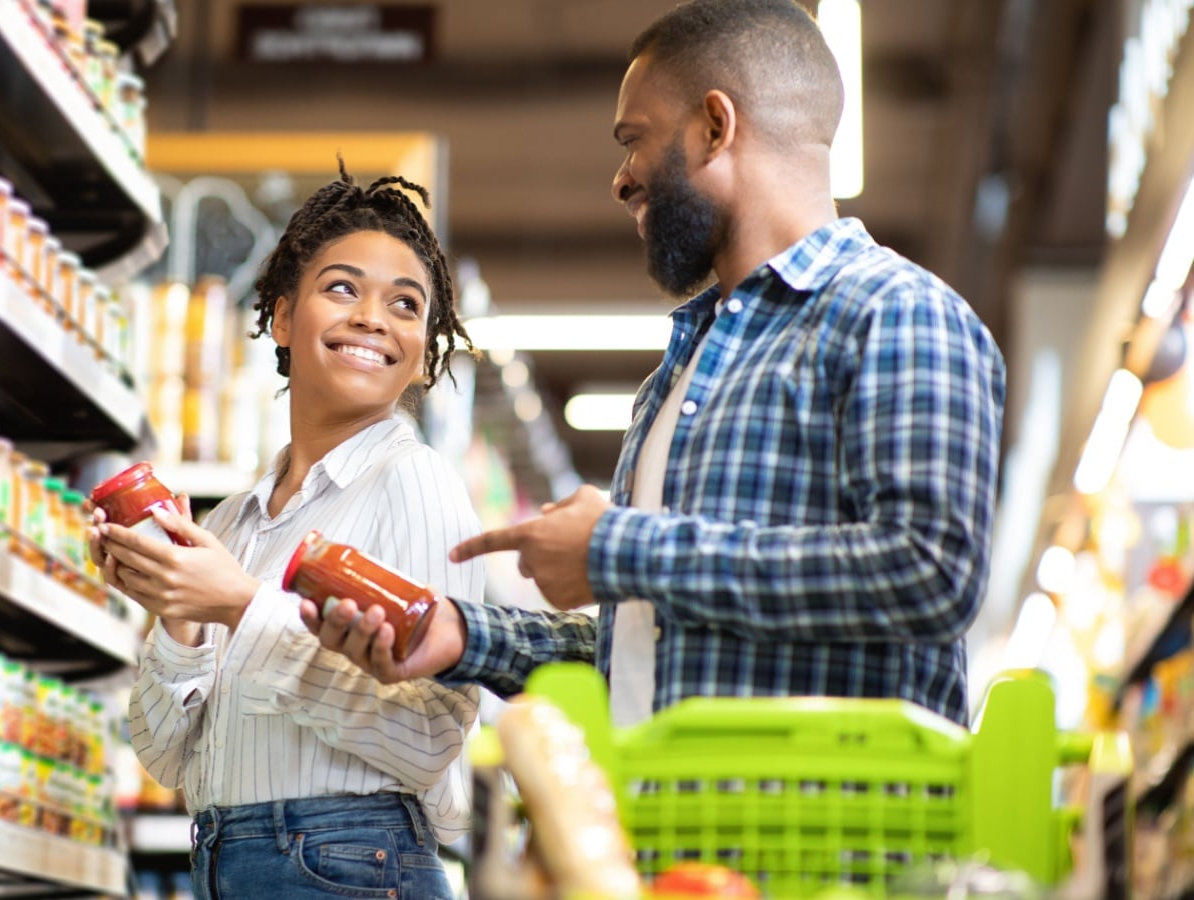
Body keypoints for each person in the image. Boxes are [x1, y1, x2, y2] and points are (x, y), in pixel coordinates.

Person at [303, 0, 1006, 729]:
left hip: (831, 834)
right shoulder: (678, 377)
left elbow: (930, 573)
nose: (621, 179)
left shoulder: (896, 312)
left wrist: (617, 546)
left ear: (714, 127)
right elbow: (645, 648)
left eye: (633, 139)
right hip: (668, 829)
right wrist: (463, 635)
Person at [88, 164, 483, 900]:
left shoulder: (415, 483)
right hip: (226, 860)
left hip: (355, 864)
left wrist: (241, 606)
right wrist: (179, 611)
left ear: (424, 349)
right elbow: (166, 759)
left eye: (406, 304)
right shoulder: (232, 522)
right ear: (279, 317)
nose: (373, 317)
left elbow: (431, 737)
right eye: (342, 288)